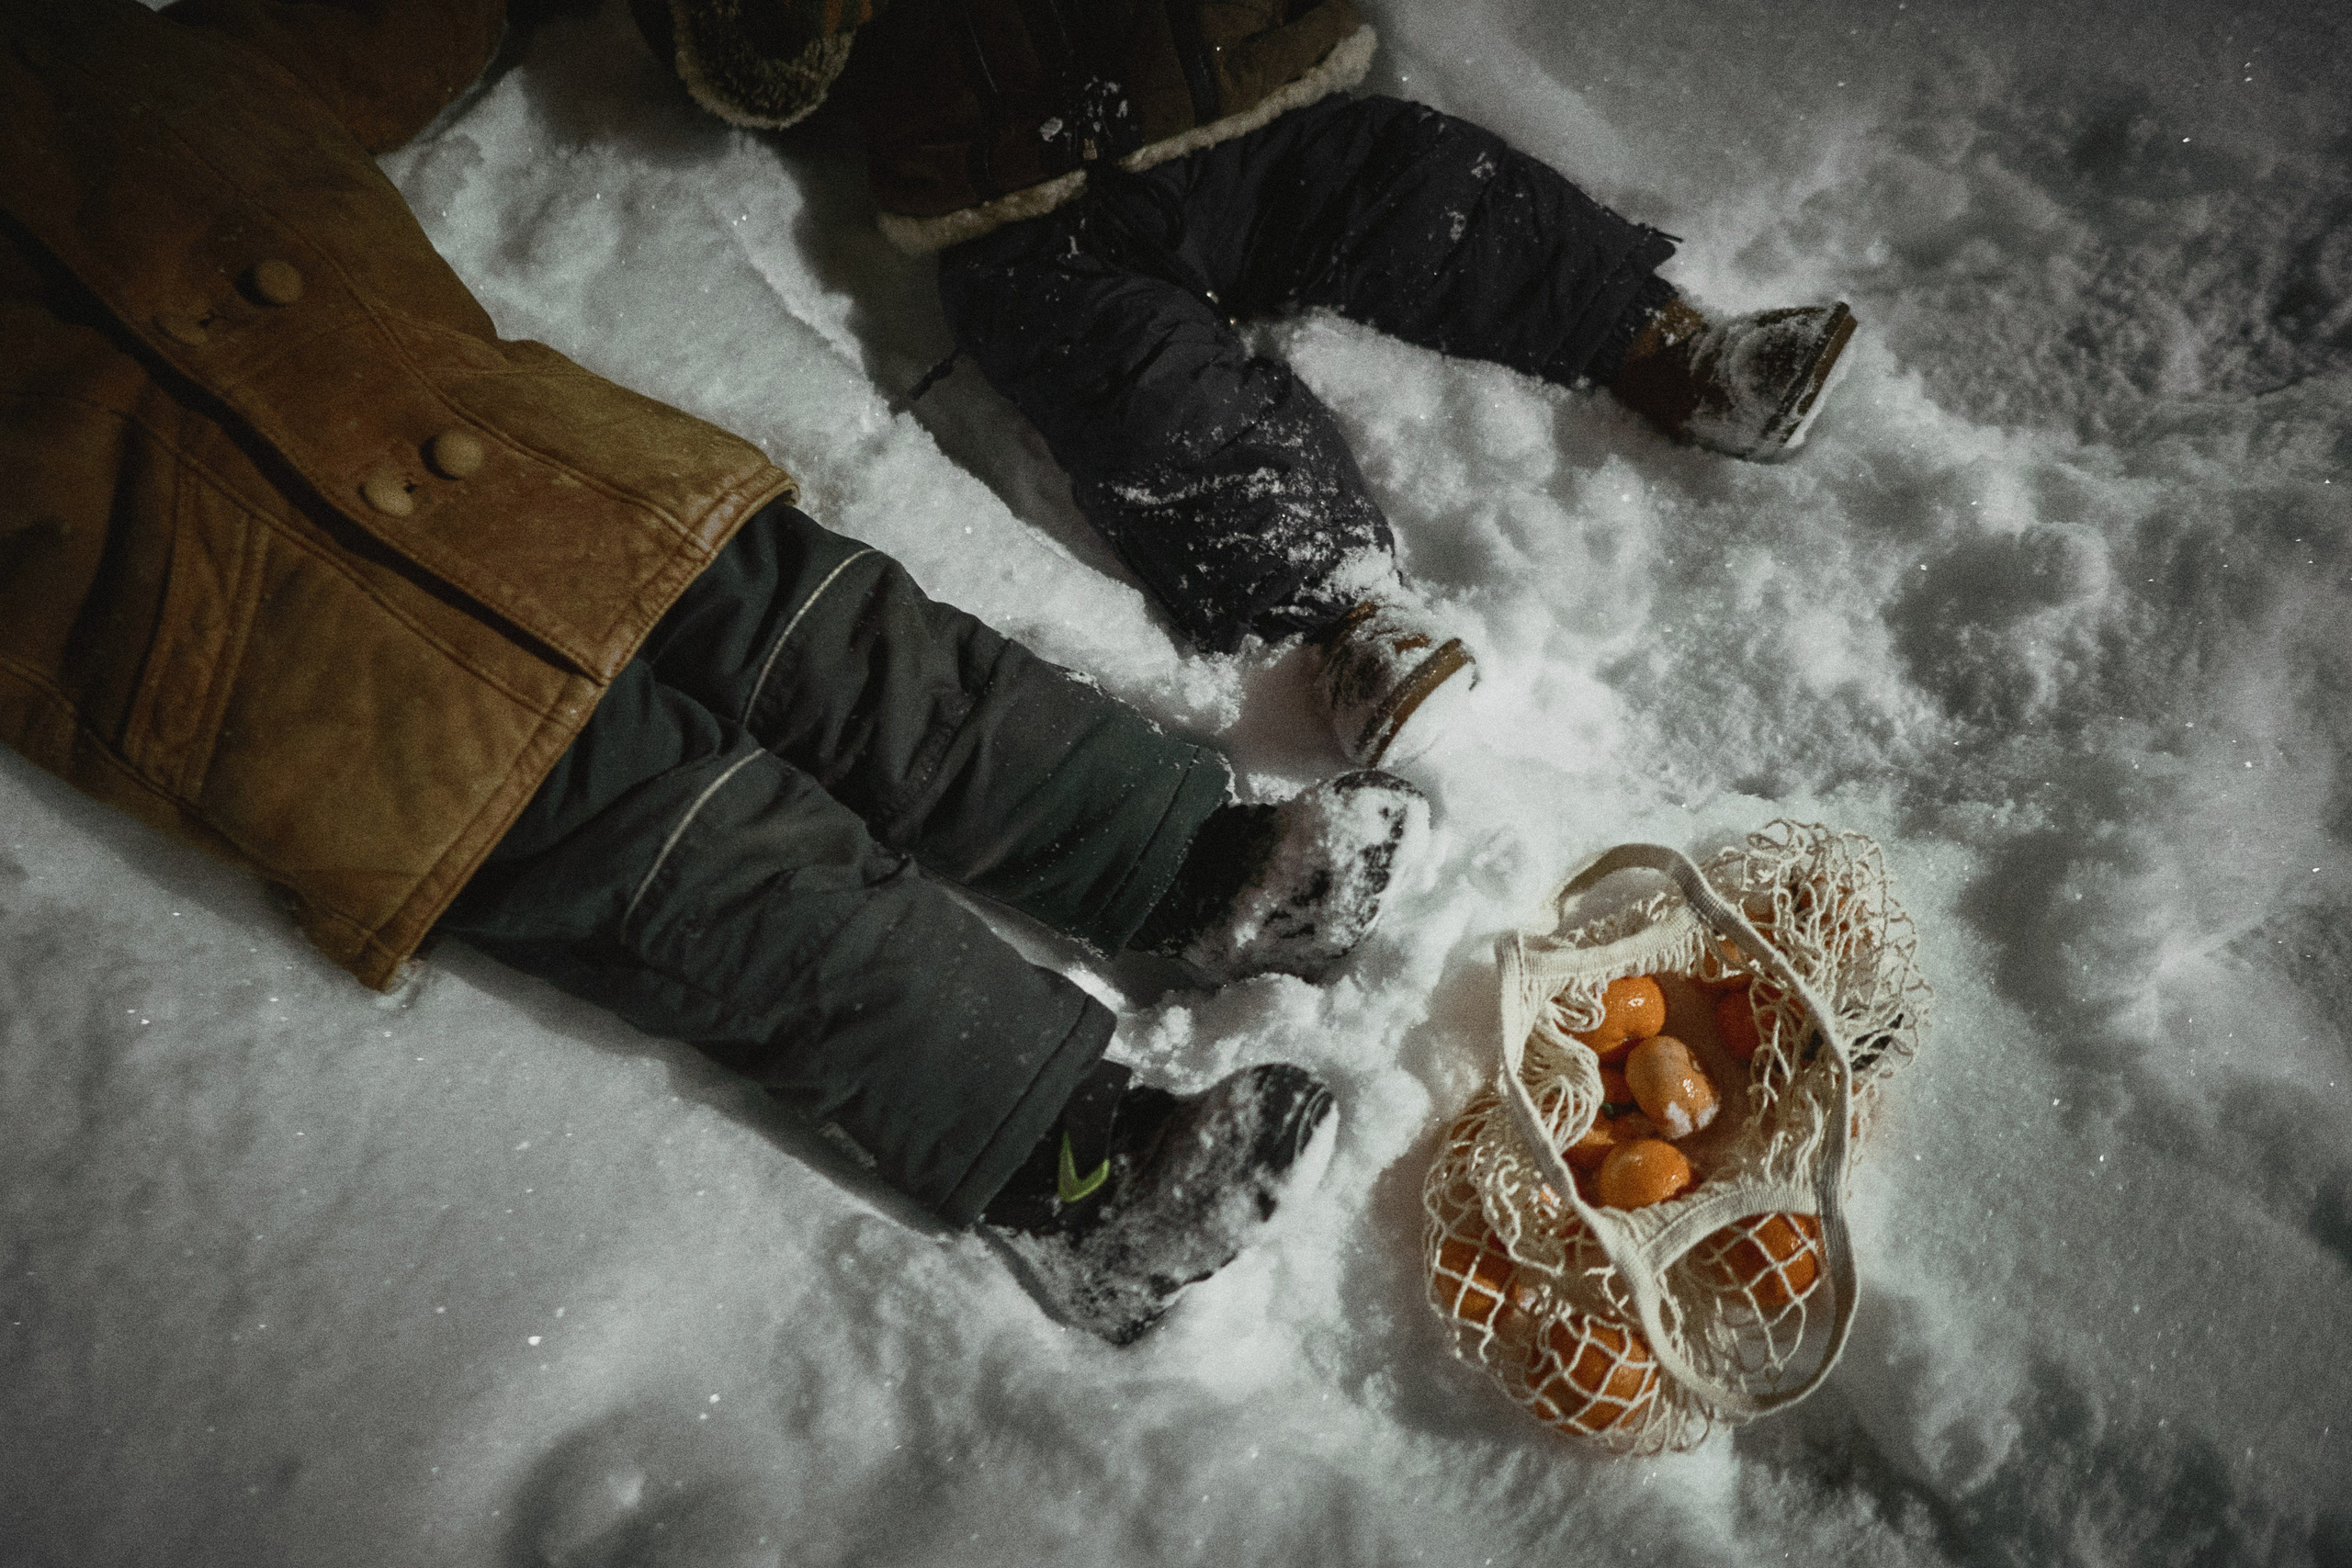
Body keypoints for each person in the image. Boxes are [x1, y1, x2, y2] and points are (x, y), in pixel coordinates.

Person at [0, 0, 1429, 1345]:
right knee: (697, 857)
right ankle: (1084, 1175)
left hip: (517, 460)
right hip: (277, 650)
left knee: (848, 645)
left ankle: (1201, 867)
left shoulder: (81, 52)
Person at [635, 0, 1859, 767]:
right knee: (1141, 392)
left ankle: (1672, 349)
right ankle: (1339, 614)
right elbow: (748, 74)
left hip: (1246, 96)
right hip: (1023, 212)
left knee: (1424, 190)